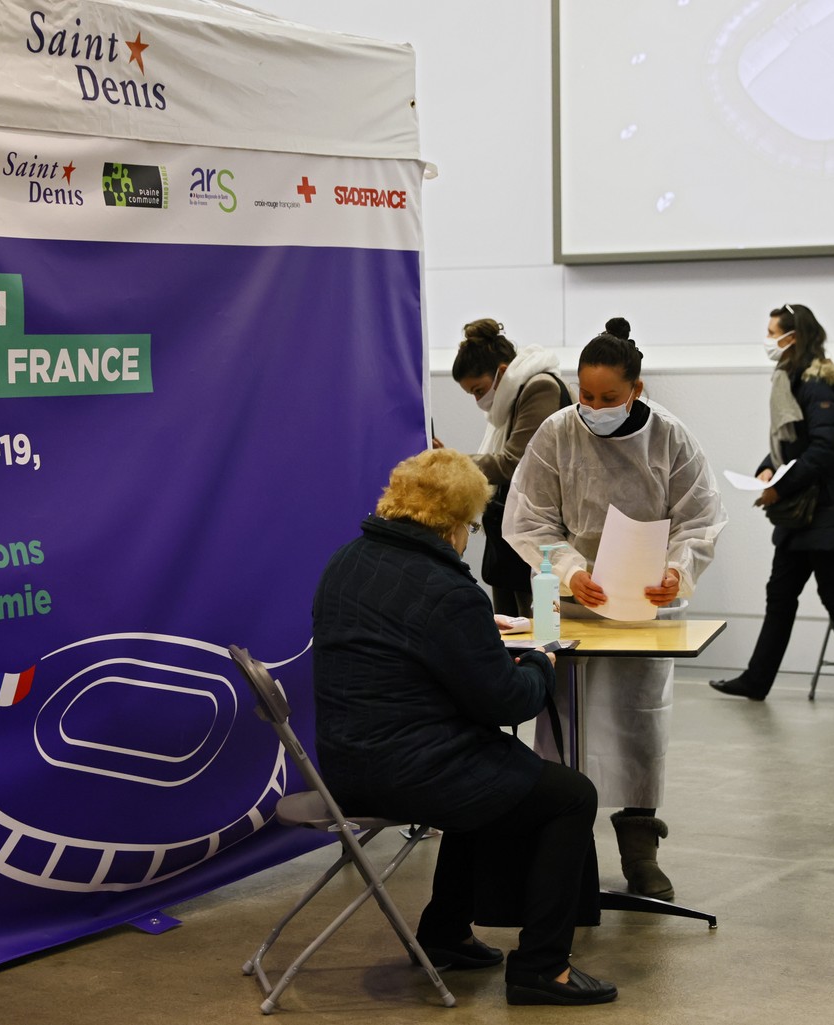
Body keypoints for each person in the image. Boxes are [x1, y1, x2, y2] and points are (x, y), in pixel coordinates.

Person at [311, 449, 617, 1006]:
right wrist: (540, 664)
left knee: (490, 770)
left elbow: (400, 653)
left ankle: (445, 933)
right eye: (474, 526)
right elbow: (505, 701)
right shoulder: (447, 590)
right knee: (570, 794)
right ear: (455, 523)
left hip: (345, 765)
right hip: (409, 773)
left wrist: (477, 633)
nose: (470, 536)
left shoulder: (347, 562)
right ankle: (544, 968)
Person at [503, 318, 726, 902]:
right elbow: (529, 518)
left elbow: (700, 518)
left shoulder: (671, 439)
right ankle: (566, 854)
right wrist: (572, 568)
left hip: (645, 604)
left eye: (608, 398)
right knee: (562, 725)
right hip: (570, 600)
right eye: (586, 395)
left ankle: (639, 847)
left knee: (638, 722)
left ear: (637, 389)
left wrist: (677, 570)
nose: (594, 408)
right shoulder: (556, 433)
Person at [710, 303, 834, 710]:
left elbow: (824, 449)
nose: (768, 341)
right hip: (803, 514)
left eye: (774, 333)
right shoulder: (790, 378)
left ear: (795, 336)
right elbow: (790, 446)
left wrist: (779, 488)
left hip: (826, 509)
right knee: (781, 594)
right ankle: (756, 680)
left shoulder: (816, 383)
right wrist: (766, 471)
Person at [444, 318, 571, 616]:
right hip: (512, 540)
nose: (478, 400)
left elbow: (515, 464)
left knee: (535, 636)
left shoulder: (539, 388)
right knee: (513, 638)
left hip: (539, 539)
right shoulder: (516, 394)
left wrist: (451, 462)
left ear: (502, 372)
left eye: (478, 390)